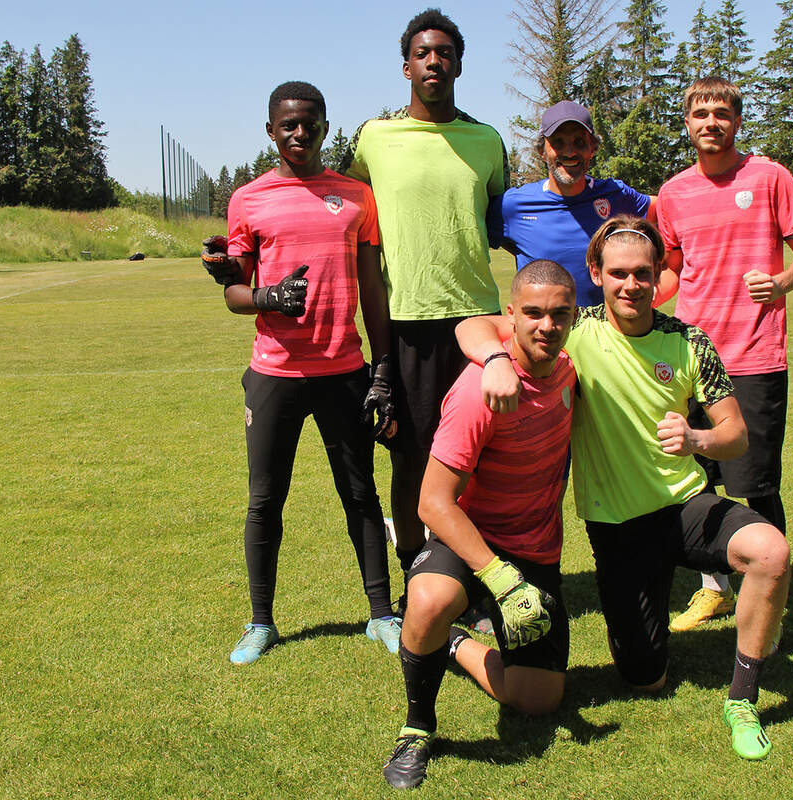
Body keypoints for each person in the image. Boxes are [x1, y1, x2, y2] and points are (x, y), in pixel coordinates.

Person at [458, 216, 790, 761]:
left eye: (643, 273)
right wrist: (494, 358)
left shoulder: (688, 341)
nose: (631, 285)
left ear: (659, 275)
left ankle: (742, 699)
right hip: (618, 528)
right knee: (643, 679)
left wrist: (697, 437)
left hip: (687, 505)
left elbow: (736, 436)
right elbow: (471, 326)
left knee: (770, 551)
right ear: (597, 274)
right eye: (618, 274)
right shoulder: (571, 329)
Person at [201, 81, 401, 664]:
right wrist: (268, 296)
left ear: (325, 126)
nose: (299, 133)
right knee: (265, 500)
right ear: (270, 131)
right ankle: (261, 622)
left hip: (344, 370)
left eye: (309, 123)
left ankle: (381, 614)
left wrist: (381, 369)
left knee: (360, 495)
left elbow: (372, 288)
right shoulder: (249, 200)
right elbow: (234, 292)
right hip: (274, 374)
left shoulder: (356, 196)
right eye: (287, 124)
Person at [381, 261, 577, 790]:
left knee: (540, 702)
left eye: (560, 314)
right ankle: (418, 725)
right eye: (532, 313)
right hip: (470, 538)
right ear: (510, 316)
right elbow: (432, 503)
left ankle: (452, 645)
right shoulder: (479, 392)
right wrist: (501, 579)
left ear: (574, 315)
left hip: (535, 548)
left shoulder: (570, 366)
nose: (546, 326)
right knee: (428, 602)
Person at [340, 8, 510, 598]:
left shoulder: (487, 141)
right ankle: (415, 564)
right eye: (423, 53)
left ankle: (479, 570)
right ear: (406, 65)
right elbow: (343, 207)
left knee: (477, 460)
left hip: (477, 323)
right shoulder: (374, 138)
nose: (434, 61)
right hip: (406, 323)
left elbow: (498, 216)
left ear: (459, 63)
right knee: (410, 458)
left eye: (444, 52)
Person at [656, 76, 793, 632]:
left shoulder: (770, 176)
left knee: (754, 486)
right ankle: (715, 590)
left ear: (737, 120)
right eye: (700, 113)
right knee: (694, 481)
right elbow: (672, 268)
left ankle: (771, 596)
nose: (711, 122)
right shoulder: (673, 192)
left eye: (721, 112)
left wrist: (780, 283)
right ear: (687, 124)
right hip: (691, 357)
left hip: (754, 355)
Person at [490, 100, 670, 307]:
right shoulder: (512, 206)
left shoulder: (616, 194)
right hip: (546, 334)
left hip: (605, 335)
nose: (569, 152)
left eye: (579, 142)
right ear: (542, 151)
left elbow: (667, 208)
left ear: (592, 148)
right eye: (557, 142)